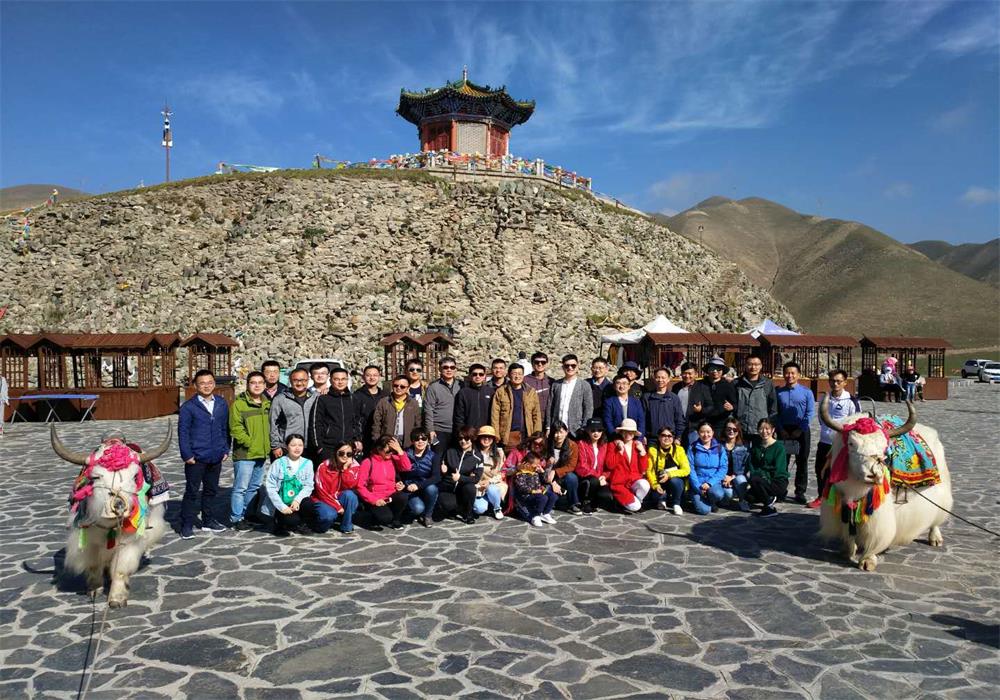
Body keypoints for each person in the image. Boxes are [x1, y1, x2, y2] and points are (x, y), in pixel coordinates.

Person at [177, 369, 230, 538]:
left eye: (209, 382)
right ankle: (186, 524)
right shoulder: (188, 407)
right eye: (202, 383)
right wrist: (187, 455)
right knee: (192, 492)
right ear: (195, 385)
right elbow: (183, 432)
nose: (206, 386)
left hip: (216, 455)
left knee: (211, 490)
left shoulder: (221, 403)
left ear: (214, 383)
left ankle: (208, 520)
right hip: (196, 456)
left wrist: (226, 448)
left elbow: (225, 428)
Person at [228, 371, 271, 530]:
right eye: (253, 382)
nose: (257, 385)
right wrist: (250, 443)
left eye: (260, 382)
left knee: (254, 487)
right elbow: (235, 428)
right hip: (245, 454)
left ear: (265, 385)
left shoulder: (267, 404)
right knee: (240, 488)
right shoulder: (239, 405)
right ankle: (236, 518)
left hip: (261, 453)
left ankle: (248, 514)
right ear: (247, 385)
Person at [811, 369, 860, 509]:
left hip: (842, 443)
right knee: (821, 469)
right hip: (825, 441)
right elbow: (821, 419)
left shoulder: (851, 400)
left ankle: (845, 497)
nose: (835, 384)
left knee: (842, 471)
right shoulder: (824, 399)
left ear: (845, 382)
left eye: (839, 381)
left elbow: (855, 421)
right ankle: (821, 496)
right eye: (832, 381)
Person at [776, 361, 815, 505]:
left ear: (798, 375)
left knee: (802, 462)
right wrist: (781, 429)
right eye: (787, 373)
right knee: (782, 463)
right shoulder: (778, 392)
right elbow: (775, 413)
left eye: (793, 373)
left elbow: (809, 413)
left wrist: (800, 429)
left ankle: (800, 492)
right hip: (783, 430)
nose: (790, 375)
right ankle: (781, 491)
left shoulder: (807, 392)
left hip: (802, 430)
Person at [300, 441, 359, 535]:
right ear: (335, 452)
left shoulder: (354, 466)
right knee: (328, 516)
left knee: (350, 496)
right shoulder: (324, 466)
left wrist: (345, 470)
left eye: (349, 454)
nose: (345, 456)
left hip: (339, 497)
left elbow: (351, 486)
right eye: (341, 453)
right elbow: (321, 492)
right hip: (323, 499)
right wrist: (338, 507)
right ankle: (314, 524)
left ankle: (346, 526)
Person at [262, 434, 315, 537]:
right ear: (287, 447)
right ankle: (279, 522)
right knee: (291, 521)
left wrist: (297, 500)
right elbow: (270, 487)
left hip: (296, 501)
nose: (297, 448)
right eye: (293, 445)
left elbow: (309, 486)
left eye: (300, 445)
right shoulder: (278, 463)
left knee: (309, 504)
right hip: (281, 501)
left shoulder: (308, 463)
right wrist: (282, 507)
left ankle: (302, 523)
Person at [356, 436, 412, 530]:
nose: (390, 453)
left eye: (392, 451)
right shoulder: (368, 462)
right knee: (385, 518)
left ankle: (396, 520)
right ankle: (374, 516)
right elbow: (360, 486)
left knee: (403, 496)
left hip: (390, 495)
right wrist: (374, 500)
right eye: (388, 451)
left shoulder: (392, 459)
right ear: (379, 449)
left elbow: (407, 467)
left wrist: (400, 451)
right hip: (375, 497)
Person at [269, 368, 319, 463]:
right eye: (295, 380)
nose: (299, 383)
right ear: (290, 381)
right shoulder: (280, 399)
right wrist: (275, 446)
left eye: (303, 380)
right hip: (287, 447)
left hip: (311, 447)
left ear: (308, 380)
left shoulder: (315, 397)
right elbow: (272, 423)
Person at [315, 367, 362, 461]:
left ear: (347, 380)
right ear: (330, 380)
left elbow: (357, 422)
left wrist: (358, 439)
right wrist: (319, 447)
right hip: (328, 446)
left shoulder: (354, 399)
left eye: (343, 379)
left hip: (349, 446)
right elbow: (316, 423)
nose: (340, 382)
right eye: (336, 379)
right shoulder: (323, 399)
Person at [491, 363, 542, 450]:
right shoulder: (501, 392)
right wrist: (496, 435)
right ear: (508, 375)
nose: (517, 376)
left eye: (520, 374)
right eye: (514, 373)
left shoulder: (531, 392)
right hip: (508, 435)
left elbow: (536, 414)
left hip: (527, 435)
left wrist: (537, 434)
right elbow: (495, 415)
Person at [604, 418, 650, 513]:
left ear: (634, 433)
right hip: (619, 483)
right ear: (621, 432)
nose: (628, 434)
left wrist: (642, 452)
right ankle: (621, 501)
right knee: (636, 507)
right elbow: (609, 465)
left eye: (631, 432)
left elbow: (643, 469)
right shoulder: (613, 445)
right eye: (625, 431)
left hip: (633, 481)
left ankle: (635, 500)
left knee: (645, 485)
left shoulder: (637, 445)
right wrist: (619, 452)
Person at [440, 427, 484, 524]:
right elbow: (442, 465)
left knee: (470, 488)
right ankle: (455, 509)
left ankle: (468, 514)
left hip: (463, 488)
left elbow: (476, 478)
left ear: (472, 439)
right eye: (460, 438)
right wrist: (443, 470)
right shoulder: (450, 451)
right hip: (448, 488)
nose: (463, 441)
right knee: (447, 504)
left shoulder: (478, 457)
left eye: (466, 438)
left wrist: (461, 478)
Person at [747, 418, 789, 518]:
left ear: (773, 430)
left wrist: (764, 476)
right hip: (761, 480)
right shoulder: (757, 446)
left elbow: (779, 469)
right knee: (749, 497)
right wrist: (757, 474)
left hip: (776, 481)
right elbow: (752, 464)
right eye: (761, 429)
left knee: (755, 479)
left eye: (767, 428)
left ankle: (769, 506)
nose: (764, 431)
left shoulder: (779, 447)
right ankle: (770, 497)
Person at [686, 421, 728, 515]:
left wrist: (709, 483)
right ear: (698, 433)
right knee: (704, 511)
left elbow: (723, 468)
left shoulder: (719, 448)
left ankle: (711, 501)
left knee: (718, 494)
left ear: (712, 433)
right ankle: (699, 499)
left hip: (713, 482)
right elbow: (690, 468)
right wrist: (698, 487)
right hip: (698, 482)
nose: (705, 435)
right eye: (702, 432)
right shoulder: (693, 448)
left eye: (708, 432)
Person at [646, 426, 689, 515]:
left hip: (675, 481)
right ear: (659, 437)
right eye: (663, 435)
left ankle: (676, 503)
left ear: (673, 438)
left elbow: (686, 470)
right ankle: (663, 498)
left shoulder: (679, 450)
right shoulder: (653, 450)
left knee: (675, 481)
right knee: (655, 497)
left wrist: (669, 475)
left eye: (669, 436)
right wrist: (655, 485)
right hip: (660, 482)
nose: (667, 438)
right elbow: (650, 471)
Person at [425, 356, 462, 458]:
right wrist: (430, 430)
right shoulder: (433, 387)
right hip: (439, 430)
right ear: (440, 369)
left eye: (452, 367)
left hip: (457, 430)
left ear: (455, 369)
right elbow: (428, 410)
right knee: (437, 458)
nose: (449, 370)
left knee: (454, 459)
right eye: (445, 367)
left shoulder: (461, 385)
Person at [403, 429, 442, 527]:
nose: (420, 441)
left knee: (432, 488)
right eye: (417, 439)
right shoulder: (405, 454)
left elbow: (436, 477)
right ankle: (414, 510)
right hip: (410, 489)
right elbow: (400, 473)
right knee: (418, 509)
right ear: (412, 441)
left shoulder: (433, 456)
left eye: (423, 439)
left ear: (428, 440)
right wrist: (404, 485)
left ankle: (428, 515)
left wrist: (419, 485)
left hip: (425, 486)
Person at [372, 375, 424, 449]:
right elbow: (376, 423)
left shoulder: (413, 403)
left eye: (402, 387)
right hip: (387, 441)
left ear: (408, 388)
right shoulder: (384, 402)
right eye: (396, 385)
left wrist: (416, 439)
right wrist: (377, 439)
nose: (398, 388)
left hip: (407, 441)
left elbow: (417, 423)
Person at [548, 354, 594, 436]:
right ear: (563, 367)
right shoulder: (556, 385)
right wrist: (548, 426)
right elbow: (550, 406)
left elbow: (588, 409)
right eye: (567, 366)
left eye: (573, 365)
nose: (570, 368)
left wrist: (584, 428)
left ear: (577, 366)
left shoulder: (584, 385)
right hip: (557, 430)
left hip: (576, 431)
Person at [734, 355, 777, 442]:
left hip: (761, 430)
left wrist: (769, 425)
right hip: (741, 428)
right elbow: (732, 405)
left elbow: (773, 407)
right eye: (750, 364)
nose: (753, 367)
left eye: (756, 364)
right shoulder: (737, 383)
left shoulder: (767, 384)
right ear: (745, 365)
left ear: (761, 366)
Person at [672, 362, 712, 446]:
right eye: (684, 373)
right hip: (677, 427)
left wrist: (701, 410)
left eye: (690, 373)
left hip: (694, 427)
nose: (687, 376)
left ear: (696, 374)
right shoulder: (676, 387)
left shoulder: (702, 388)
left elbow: (710, 406)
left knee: (693, 450)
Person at [513, 453, 558, 527]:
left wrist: (542, 472)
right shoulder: (521, 474)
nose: (538, 466)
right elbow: (521, 487)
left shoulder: (536, 472)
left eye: (538, 464)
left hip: (538, 492)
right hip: (527, 495)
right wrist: (533, 491)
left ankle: (545, 513)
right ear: (528, 464)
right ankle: (536, 515)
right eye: (536, 464)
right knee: (543, 498)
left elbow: (545, 481)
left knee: (553, 496)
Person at [575, 419, 610, 513]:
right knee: (593, 481)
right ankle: (585, 502)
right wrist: (598, 477)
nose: (596, 433)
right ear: (587, 431)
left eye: (599, 430)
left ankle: (594, 501)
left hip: (600, 479)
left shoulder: (604, 445)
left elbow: (608, 466)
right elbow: (581, 466)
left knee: (607, 497)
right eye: (593, 430)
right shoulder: (581, 444)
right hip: (585, 478)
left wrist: (604, 476)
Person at [473, 426, 507, 519]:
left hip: (494, 484)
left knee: (492, 489)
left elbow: (502, 472)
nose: (486, 439)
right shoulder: (473, 452)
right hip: (479, 486)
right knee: (479, 509)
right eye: (484, 436)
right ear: (479, 438)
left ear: (493, 439)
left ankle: (497, 508)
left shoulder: (499, 453)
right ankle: (488, 503)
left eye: (490, 437)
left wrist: (489, 482)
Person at [643, 367, 686, 440]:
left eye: (663, 378)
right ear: (654, 379)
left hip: (669, 438)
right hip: (652, 439)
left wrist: (678, 437)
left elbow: (679, 419)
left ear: (668, 379)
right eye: (658, 377)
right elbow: (643, 419)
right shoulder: (647, 397)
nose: (660, 380)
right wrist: (643, 436)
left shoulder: (674, 398)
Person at [547, 420, 581, 514]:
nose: (558, 435)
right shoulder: (547, 444)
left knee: (572, 477)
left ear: (566, 432)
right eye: (555, 432)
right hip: (548, 476)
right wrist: (552, 481)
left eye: (561, 432)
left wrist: (555, 471)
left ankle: (573, 503)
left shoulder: (572, 445)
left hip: (563, 475)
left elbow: (571, 466)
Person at [353, 364, 387, 455]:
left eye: (375, 375)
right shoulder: (357, 396)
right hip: (364, 437)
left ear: (379, 376)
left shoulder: (385, 395)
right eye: (368, 375)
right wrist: (357, 438)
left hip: (381, 437)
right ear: (363, 377)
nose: (372, 378)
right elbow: (354, 419)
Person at [700, 356, 738, 436]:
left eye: (718, 369)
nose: (715, 371)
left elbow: (735, 404)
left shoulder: (728, 385)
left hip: (721, 423)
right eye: (712, 368)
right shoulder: (700, 384)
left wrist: (731, 407)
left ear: (723, 371)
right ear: (707, 370)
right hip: (702, 422)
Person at [453, 364, 495, 434]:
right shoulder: (463, 393)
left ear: (484, 376)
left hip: (486, 432)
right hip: (469, 432)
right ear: (470, 376)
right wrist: (462, 431)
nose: (478, 376)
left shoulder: (490, 392)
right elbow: (459, 415)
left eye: (481, 374)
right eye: (475, 374)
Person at [603, 374, 646, 440]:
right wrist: (615, 439)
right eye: (618, 383)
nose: (621, 386)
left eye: (624, 383)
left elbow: (641, 422)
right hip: (616, 438)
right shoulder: (609, 402)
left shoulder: (636, 402)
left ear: (629, 386)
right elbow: (608, 422)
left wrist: (639, 439)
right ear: (614, 386)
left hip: (634, 438)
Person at [720, 418, 750, 511]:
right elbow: (715, 465)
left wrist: (732, 477)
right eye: (728, 429)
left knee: (741, 479)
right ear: (725, 430)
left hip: (737, 476)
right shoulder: (719, 445)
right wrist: (724, 477)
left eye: (734, 429)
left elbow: (745, 467)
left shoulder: (744, 446)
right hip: (722, 477)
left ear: (738, 431)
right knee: (727, 495)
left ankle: (742, 500)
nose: (731, 431)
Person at [524, 352, 553, 430]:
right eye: (537, 362)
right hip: (530, 422)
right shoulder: (524, 381)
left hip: (548, 423)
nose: (540, 364)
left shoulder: (552, 382)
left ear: (547, 364)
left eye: (543, 362)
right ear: (532, 364)